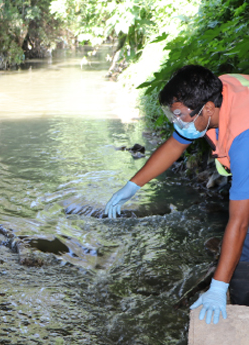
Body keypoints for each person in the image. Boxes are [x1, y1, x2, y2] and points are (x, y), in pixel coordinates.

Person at [105, 65, 249, 325]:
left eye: (180, 116)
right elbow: (175, 144)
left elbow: (238, 223)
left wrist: (217, 288)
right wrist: (132, 186)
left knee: (242, 247)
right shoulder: (216, 90)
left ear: (206, 109)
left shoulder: (244, 140)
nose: (177, 122)